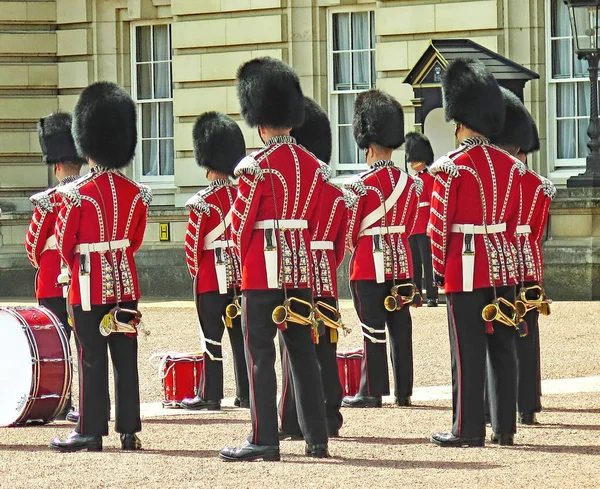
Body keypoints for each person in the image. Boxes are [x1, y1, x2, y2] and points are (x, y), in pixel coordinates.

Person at [219, 57, 328, 462]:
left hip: (261, 273)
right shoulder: (314, 167)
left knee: (259, 355)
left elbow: (240, 226)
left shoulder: (254, 167)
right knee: (303, 353)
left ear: (260, 122)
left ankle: (264, 438)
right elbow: (315, 223)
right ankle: (317, 438)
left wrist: (238, 259)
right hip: (299, 270)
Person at [49, 81, 151, 452]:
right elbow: (135, 240)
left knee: (91, 357)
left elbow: (65, 243)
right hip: (125, 281)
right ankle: (129, 431)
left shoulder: (76, 194)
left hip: (89, 282)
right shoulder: (136, 192)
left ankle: (91, 431)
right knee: (126, 358)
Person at [428, 58, 523, 448]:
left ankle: (466, 428)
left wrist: (438, 271)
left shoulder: (451, 167)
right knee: (503, 345)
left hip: (464, 267)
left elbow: (438, 226)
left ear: (460, 119)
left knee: (466, 351)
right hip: (503, 266)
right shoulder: (513, 167)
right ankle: (505, 427)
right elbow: (518, 221)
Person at [342, 89, 421, 409]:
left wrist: (357, 247)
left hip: (368, 263)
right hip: (401, 261)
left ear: (368, 146)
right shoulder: (411, 183)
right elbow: (414, 222)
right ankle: (404, 390)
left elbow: (350, 231)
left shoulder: (360, 184)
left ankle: (372, 390)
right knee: (401, 328)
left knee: (372, 328)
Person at [278, 97, 346, 439]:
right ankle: (330, 414)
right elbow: (338, 249)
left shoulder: (292, 185)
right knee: (326, 348)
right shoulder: (337, 195)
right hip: (325, 276)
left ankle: (291, 419)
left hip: (295, 270)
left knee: (294, 351)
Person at [491, 88, 555, 426]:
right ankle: (528, 403)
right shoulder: (539, 184)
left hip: (500, 260)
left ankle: (497, 405)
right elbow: (537, 231)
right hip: (529, 260)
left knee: (499, 334)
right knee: (527, 334)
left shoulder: (496, 178)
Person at [181, 112, 249, 411]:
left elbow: (192, 247)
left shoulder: (201, 202)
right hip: (240, 275)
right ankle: (246, 393)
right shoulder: (241, 196)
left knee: (211, 338)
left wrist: (198, 275)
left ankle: (211, 394)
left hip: (210, 277)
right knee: (241, 339)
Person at [25, 112, 84, 423]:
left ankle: (64, 400)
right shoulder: (89, 194)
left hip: (51, 283)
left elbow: (33, 247)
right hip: (85, 280)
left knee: (58, 347)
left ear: (57, 166)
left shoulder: (49, 200)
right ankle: (91, 401)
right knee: (88, 346)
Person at [405, 132, 439, 307]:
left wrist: (430, 225)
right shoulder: (413, 179)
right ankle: (416, 295)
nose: (411, 162)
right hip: (413, 226)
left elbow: (433, 203)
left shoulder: (430, 177)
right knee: (414, 263)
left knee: (428, 262)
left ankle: (432, 296)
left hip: (425, 225)